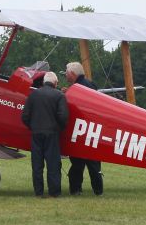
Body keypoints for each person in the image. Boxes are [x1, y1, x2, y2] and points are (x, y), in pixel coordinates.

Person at [21, 71, 68, 197]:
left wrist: (33, 127)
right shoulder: (59, 96)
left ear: (43, 82)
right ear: (56, 82)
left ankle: (38, 192)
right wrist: (59, 128)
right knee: (53, 164)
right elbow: (63, 117)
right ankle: (54, 192)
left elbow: (25, 116)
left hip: (36, 133)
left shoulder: (33, 94)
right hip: (52, 133)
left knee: (37, 164)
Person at [64, 62, 104, 196]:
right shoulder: (91, 85)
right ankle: (98, 190)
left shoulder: (77, 88)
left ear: (73, 74)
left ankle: (75, 189)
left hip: (80, 131)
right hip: (93, 130)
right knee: (94, 164)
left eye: (66, 72)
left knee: (77, 163)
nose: (65, 74)